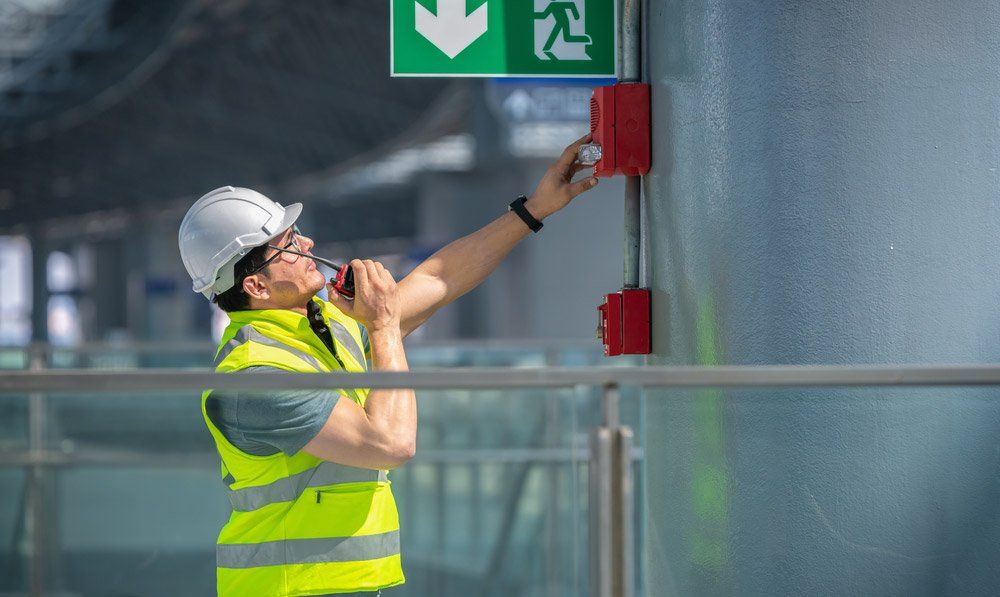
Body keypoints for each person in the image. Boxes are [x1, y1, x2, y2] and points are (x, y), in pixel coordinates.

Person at [177, 135, 599, 596]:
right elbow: (391, 444)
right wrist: (382, 327)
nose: (307, 243)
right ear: (256, 287)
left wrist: (533, 210)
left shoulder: (331, 327)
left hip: (336, 585)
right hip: (286, 588)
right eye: (289, 245)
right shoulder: (253, 379)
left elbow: (440, 277)